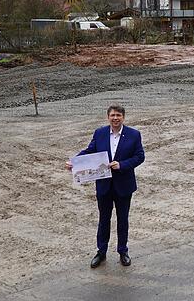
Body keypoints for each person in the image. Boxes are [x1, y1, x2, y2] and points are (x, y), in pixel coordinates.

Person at [66, 104, 145, 268]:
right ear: (108, 117)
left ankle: (123, 251)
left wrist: (122, 164)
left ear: (123, 117)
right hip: (104, 185)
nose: (115, 118)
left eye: (118, 115)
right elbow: (90, 151)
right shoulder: (100, 133)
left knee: (123, 220)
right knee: (104, 220)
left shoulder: (134, 135)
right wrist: (74, 162)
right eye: (112, 115)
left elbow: (139, 157)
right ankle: (101, 252)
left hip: (124, 185)